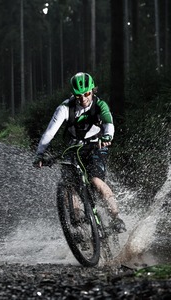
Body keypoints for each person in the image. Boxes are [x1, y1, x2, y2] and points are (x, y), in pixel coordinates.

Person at [33, 72, 126, 233]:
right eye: (78, 96)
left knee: (96, 180)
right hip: (73, 147)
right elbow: (49, 133)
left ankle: (116, 218)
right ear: (73, 95)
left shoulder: (100, 105)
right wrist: (40, 154)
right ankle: (78, 225)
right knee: (69, 185)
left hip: (96, 145)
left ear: (92, 90)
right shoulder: (64, 108)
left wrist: (107, 136)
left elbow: (108, 122)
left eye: (86, 94)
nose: (83, 99)